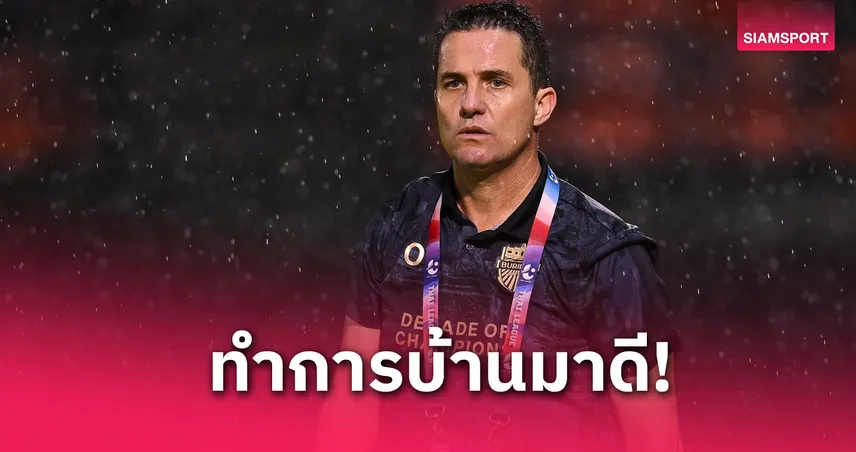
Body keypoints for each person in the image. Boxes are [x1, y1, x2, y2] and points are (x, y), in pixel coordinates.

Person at [316, 1, 682, 451]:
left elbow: (654, 440)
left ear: (541, 106)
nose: (471, 104)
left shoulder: (606, 255)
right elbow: (350, 405)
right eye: (454, 83)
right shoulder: (396, 225)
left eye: (496, 82)